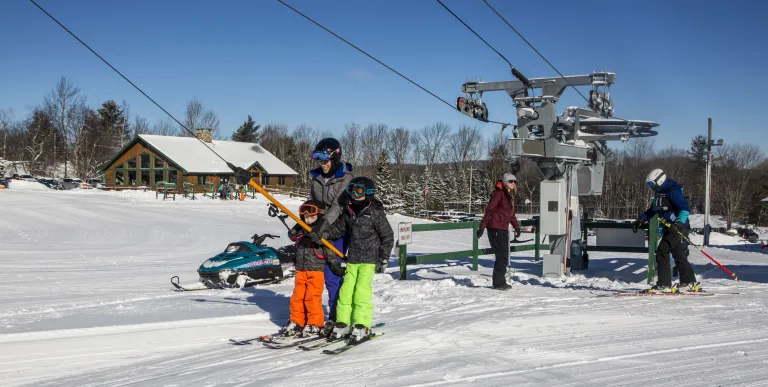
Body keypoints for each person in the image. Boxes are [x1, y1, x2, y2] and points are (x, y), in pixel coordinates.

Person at [307, 176, 394, 342]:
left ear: (368, 193)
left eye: (359, 191)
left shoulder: (375, 212)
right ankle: (343, 322)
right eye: (351, 190)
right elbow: (338, 229)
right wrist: (321, 235)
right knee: (346, 293)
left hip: (369, 260)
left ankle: (361, 324)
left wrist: (383, 258)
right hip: (352, 260)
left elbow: (387, 236)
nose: (354, 194)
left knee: (361, 292)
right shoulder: (349, 211)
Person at [279, 199, 346, 337]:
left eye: (312, 217)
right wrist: (295, 231)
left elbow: (329, 250)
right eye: (305, 217)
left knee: (312, 297)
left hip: (316, 270)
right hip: (301, 269)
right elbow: (295, 241)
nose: (308, 220)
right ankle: (297, 321)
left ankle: (315, 323)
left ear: (320, 215)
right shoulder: (302, 229)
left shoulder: (322, 232)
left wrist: (334, 264)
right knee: (297, 297)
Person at [308, 138, 354, 335]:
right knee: (316, 273)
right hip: (320, 227)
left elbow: (338, 205)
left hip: (339, 228)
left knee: (332, 274)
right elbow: (313, 202)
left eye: (325, 159)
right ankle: (313, 316)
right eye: (318, 159)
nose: (322, 163)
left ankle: (338, 317)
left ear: (335, 157)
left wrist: (324, 224)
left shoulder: (346, 177)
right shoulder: (316, 177)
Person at [632, 168, 699, 293]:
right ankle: (688, 282)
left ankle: (664, 284)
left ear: (660, 180)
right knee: (678, 254)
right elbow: (653, 210)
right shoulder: (659, 192)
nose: (651, 187)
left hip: (678, 227)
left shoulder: (673, 190)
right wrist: (640, 219)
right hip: (668, 227)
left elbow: (684, 209)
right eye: (649, 185)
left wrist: (678, 223)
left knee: (662, 251)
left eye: (651, 184)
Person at [477, 173, 520, 290]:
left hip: (503, 229)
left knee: (504, 256)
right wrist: (482, 226)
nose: (513, 183)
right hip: (495, 228)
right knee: (501, 256)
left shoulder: (508, 196)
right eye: (511, 181)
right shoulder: (498, 194)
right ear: (505, 182)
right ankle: (498, 282)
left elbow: (510, 214)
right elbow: (489, 210)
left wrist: (516, 226)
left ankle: (500, 281)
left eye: (515, 182)